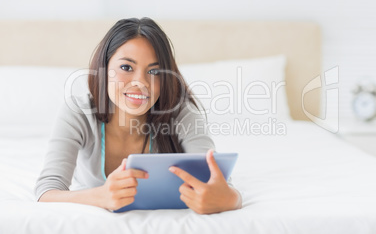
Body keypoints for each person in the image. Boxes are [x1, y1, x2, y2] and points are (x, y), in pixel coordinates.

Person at [35, 17, 242, 214]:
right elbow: (46, 192)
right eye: (126, 67)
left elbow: (222, 187)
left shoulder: (181, 113)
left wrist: (229, 200)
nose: (140, 82)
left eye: (154, 72)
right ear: (104, 70)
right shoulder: (78, 112)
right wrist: (101, 196)